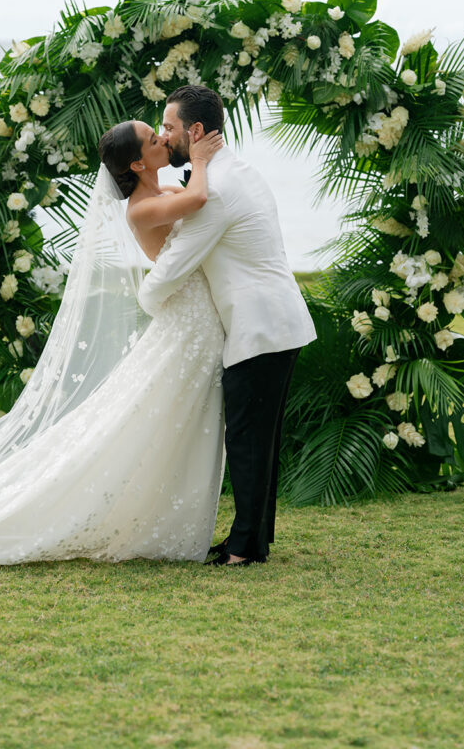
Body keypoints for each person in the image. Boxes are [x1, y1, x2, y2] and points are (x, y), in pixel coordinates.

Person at [0, 120, 227, 566]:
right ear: (137, 162)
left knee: (156, 415)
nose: (161, 138)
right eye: (153, 140)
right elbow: (198, 198)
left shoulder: (161, 193)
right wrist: (199, 159)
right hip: (185, 321)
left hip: (190, 318)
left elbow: (199, 202)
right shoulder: (139, 207)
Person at [139, 85, 317, 567]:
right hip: (278, 319)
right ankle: (253, 540)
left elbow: (171, 270)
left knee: (246, 438)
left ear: (195, 132)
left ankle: (242, 548)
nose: (164, 135)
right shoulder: (237, 172)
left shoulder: (214, 191)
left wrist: (150, 299)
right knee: (260, 438)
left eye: (170, 127)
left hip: (259, 327)